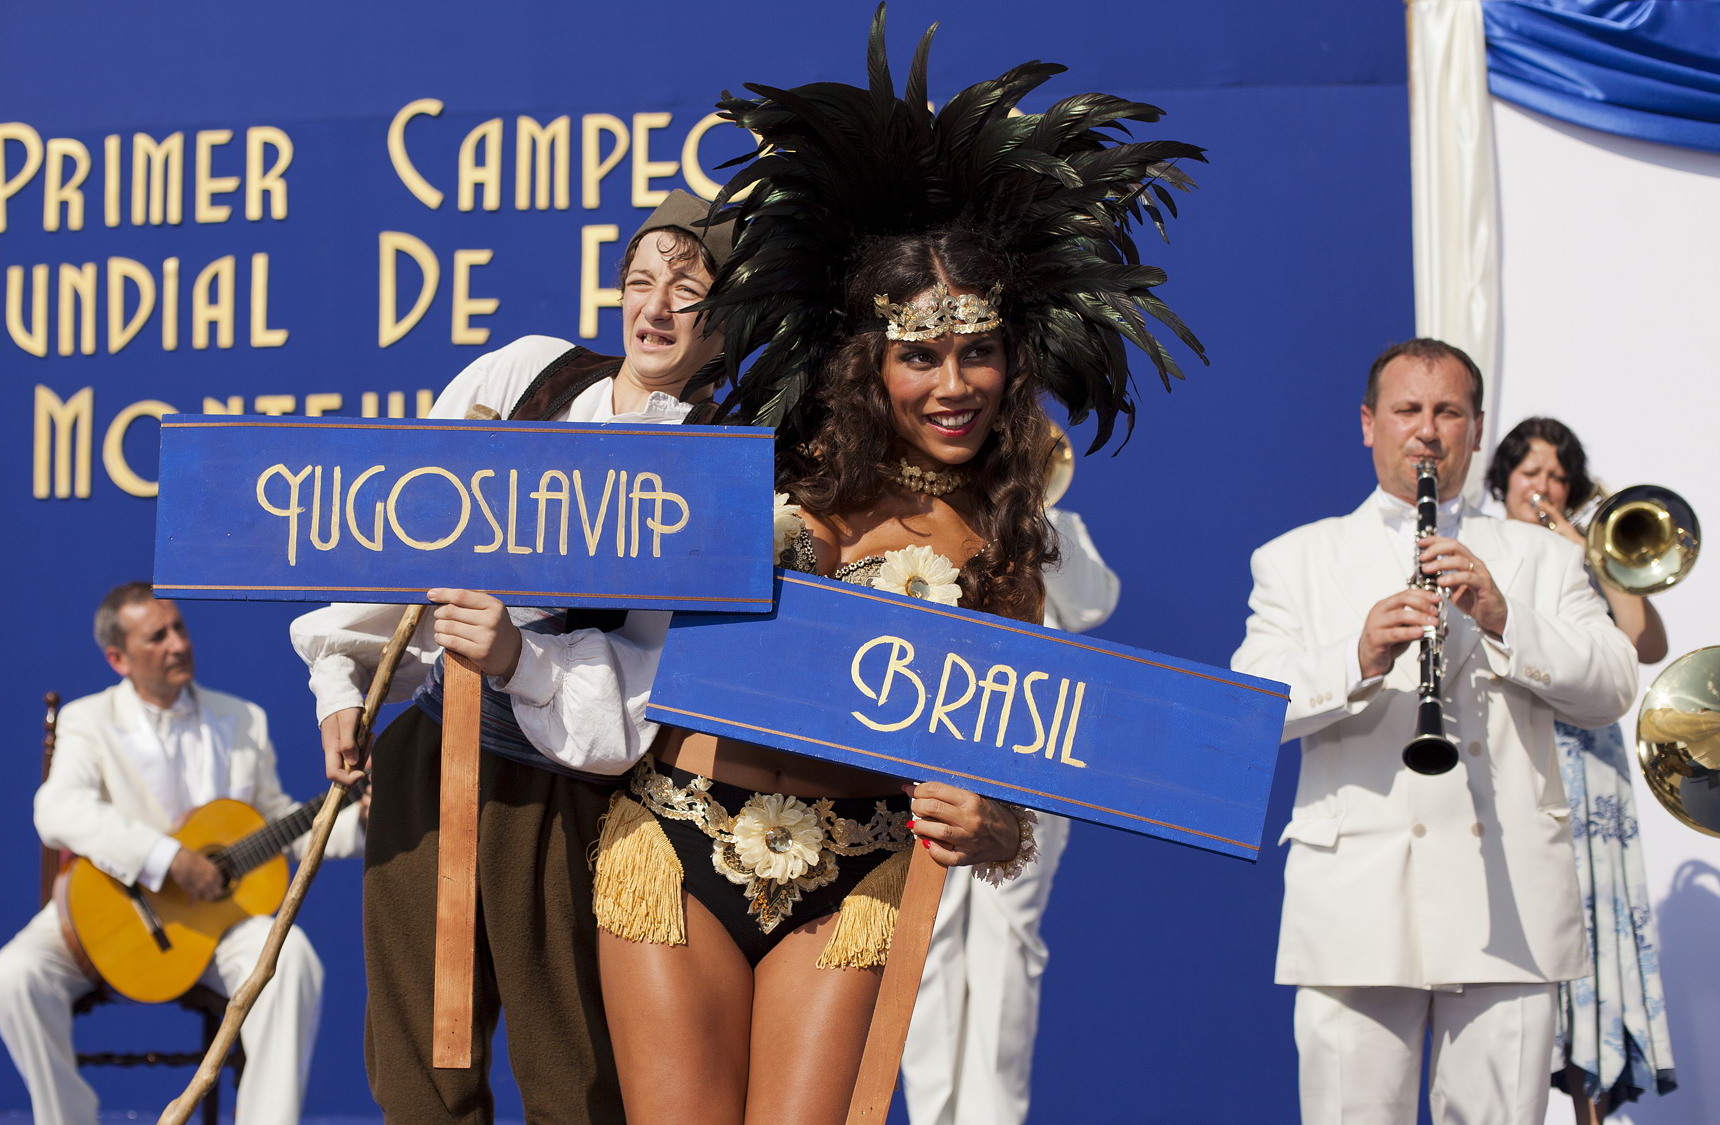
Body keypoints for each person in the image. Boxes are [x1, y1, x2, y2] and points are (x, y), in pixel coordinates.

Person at [573, 13, 1209, 1123]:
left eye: (977, 351)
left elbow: (1009, 774)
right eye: (920, 355)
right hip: (676, 841)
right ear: (870, 362)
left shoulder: (1006, 538)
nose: (952, 384)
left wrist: (990, 827)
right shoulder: (760, 459)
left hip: (854, 877)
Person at [289, 189, 735, 1125]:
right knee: (418, 1068)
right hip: (428, 755)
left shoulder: (712, 459)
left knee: (570, 1072)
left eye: (687, 290)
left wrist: (517, 658)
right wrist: (343, 682)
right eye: (639, 280)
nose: (655, 307)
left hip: (567, 794)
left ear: (725, 320)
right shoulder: (529, 375)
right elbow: (409, 532)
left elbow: (652, 676)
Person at [1230, 339, 1640, 1125]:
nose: (1427, 430)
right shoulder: (1296, 558)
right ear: (1368, 423)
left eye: (1448, 411)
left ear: (1476, 429)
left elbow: (1614, 683)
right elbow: (1249, 707)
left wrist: (1505, 618)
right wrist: (1355, 655)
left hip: (1507, 905)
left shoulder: (1542, 559)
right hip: (1356, 905)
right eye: (1407, 410)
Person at [0, 582, 364, 1125]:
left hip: (213, 929)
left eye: (178, 628)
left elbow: (281, 827)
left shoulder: (243, 719)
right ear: (118, 658)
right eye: (156, 636)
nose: (178, 644)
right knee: (13, 978)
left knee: (293, 958)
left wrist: (361, 820)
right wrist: (166, 859)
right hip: (105, 914)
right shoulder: (87, 720)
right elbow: (57, 809)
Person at [1484, 416, 1677, 1116]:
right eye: (1530, 472)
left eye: (1558, 476)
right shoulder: (1482, 548)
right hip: (1516, 758)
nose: (1544, 487)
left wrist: (1593, 556)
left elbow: (1647, 643)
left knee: (1592, 936)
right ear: (1503, 480)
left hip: (1588, 765)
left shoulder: (1583, 555)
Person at [898, 497, 1112, 1125]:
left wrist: (1037, 514)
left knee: (1010, 935)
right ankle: (934, 1115)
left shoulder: (1058, 524)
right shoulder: (925, 509)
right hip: (938, 739)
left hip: (1034, 755)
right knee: (926, 931)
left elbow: (1094, 603)